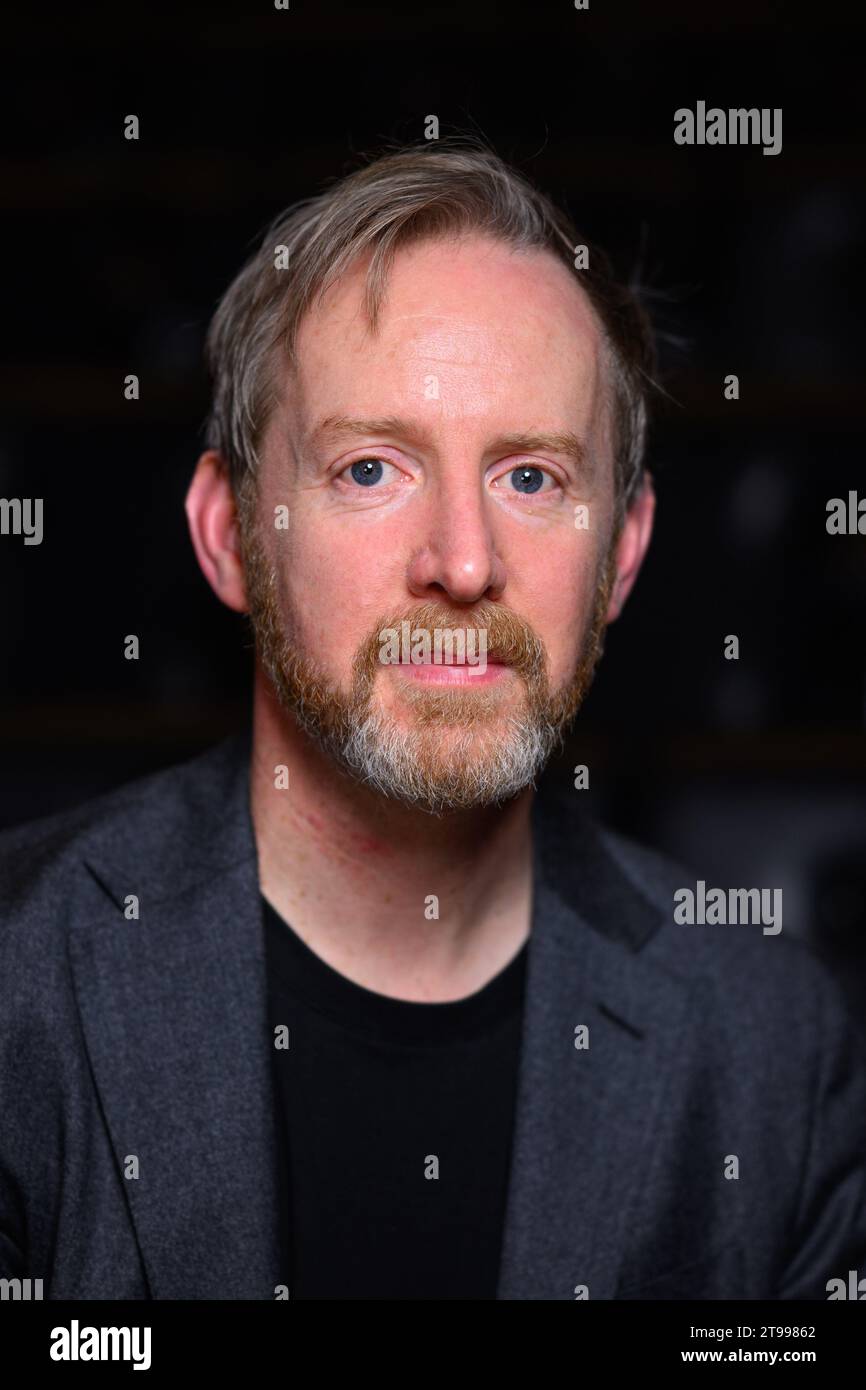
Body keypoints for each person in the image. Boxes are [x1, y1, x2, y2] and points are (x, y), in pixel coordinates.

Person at [2, 139, 865, 1301]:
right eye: (369, 469)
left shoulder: (775, 1051)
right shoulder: (20, 987)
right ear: (227, 536)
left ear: (621, 553)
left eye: (531, 478)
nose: (462, 562)